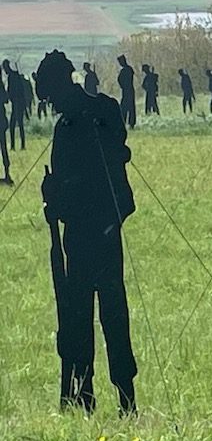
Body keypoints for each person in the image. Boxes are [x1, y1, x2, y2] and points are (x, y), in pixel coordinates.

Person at [37, 50, 138, 414]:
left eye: (51, 95)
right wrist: (53, 196)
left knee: (113, 314)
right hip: (76, 235)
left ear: (65, 83)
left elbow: (118, 153)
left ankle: (127, 397)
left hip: (104, 230)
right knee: (77, 317)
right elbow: (65, 182)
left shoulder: (102, 109)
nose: (52, 104)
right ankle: (83, 393)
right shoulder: (64, 126)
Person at [3, 60, 27, 150]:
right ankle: (18, 145)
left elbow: (14, 91)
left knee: (16, 124)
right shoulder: (14, 75)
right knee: (17, 125)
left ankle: (19, 145)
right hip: (17, 104)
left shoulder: (12, 77)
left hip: (18, 103)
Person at [116, 55, 136, 129]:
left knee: (125, 107)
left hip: (127, 90)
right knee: (129, 106)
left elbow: (119, 79)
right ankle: (130, 122)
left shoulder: (125, 70)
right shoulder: (129, 69)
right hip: (129, 90)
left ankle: (126, 121)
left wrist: (122, 86)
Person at [0, 73, 11, 185]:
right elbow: (6, 99)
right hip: (1, 121)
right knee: (3, 149)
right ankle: (7, 173)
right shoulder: (0, 85)